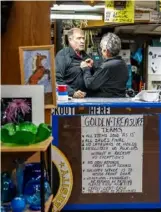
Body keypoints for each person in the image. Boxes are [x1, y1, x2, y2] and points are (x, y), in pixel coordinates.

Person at [81, 33, 129, 98]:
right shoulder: (122, 63)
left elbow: (90, 84)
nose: (101, 52)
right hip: (119, 100)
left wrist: (85, 68)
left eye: (102, 49)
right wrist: (93, 67)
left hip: (108, 102)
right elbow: (107, 78)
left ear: (106, 51)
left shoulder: (108, 66)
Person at [55, 28, 92, 98]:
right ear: (70, 39)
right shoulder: (63, 55)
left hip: (86, 99)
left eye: (83, 38)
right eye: (79, 38)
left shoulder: (87, 57)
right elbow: (57, 80)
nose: (82, 41)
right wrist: (72, 93)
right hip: (69, 100)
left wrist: (92, 67)